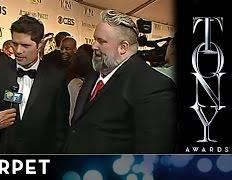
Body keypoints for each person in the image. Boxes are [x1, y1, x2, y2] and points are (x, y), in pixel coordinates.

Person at [64, 10, 177, 153]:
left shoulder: (153, 86)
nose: (93, 46)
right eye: (94, 39)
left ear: (123, 48)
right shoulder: (94, 73)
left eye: (101, 41)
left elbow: (151, 153)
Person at [0, 15, 69, 153]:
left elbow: (60, 126)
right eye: (15, 44)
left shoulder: (56, 77)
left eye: (26, 45)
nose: (19, 50)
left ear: (39, 46)